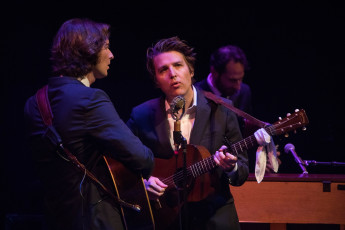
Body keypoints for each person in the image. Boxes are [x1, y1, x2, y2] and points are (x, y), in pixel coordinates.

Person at [126, 36, 272, 230]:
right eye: (163, 70)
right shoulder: (142, 115)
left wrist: (232, 168)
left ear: (191, 70)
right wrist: (142, 185)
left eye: (178, 65)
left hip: (215, 219)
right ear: (156, 80)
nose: (172, 74)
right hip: (164, 219)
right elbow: (122, 166)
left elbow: (242, 171)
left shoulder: (222, 110)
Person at [24, 18, 154, 230]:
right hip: (96, 221)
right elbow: (143, 158)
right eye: (107, 47)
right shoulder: (90, 99)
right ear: (89, 50)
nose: (112, 55)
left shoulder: (33, 103)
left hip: (56, 219)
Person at [195, 45, 281, 173]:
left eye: (241, 79)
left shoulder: (244, 92)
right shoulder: (196, 94)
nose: (238, 86)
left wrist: (261, 160)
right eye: (232, 80)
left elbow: (245, 135)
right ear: (215, 72)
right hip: (204, 169)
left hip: (234, 168)